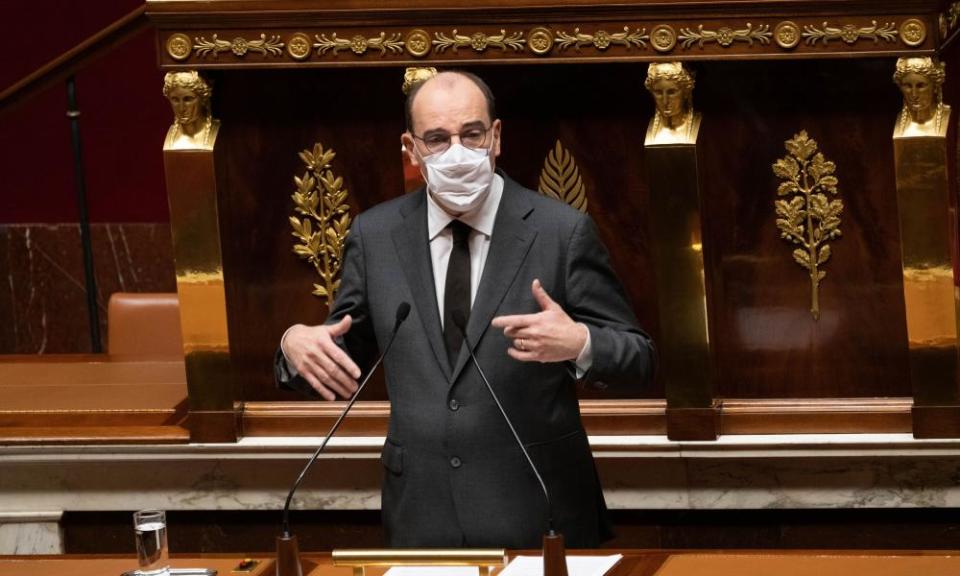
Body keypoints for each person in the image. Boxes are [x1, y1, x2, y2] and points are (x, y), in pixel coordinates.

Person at [276, 71, 655, 548]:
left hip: (539, 511)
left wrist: (581, 343)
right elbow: (342, 350)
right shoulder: (375, 236)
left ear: (495, 137)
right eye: (436, 139)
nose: (457, 151)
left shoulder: (561, 232)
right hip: (421, 514)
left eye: (471, 134)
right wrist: (295, 344)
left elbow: (639, 358)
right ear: (411, 150)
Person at [644, 62, 701, 145]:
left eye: (672, 92)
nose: (665, 101)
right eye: (658, 92)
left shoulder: (700, 126)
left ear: (686, 92)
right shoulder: (644, 129)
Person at [893, 57, 950, 138]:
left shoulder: (947, 118)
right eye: (908, 86)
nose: (914, 94)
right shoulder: (900, 123)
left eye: (921, 86)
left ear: (935, 87)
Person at [162, 71, 219, 150]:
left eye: (188, 99)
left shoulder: (216, 131)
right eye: (175, 100)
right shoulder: (171, 138)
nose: (181, 108)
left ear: (203, 99)